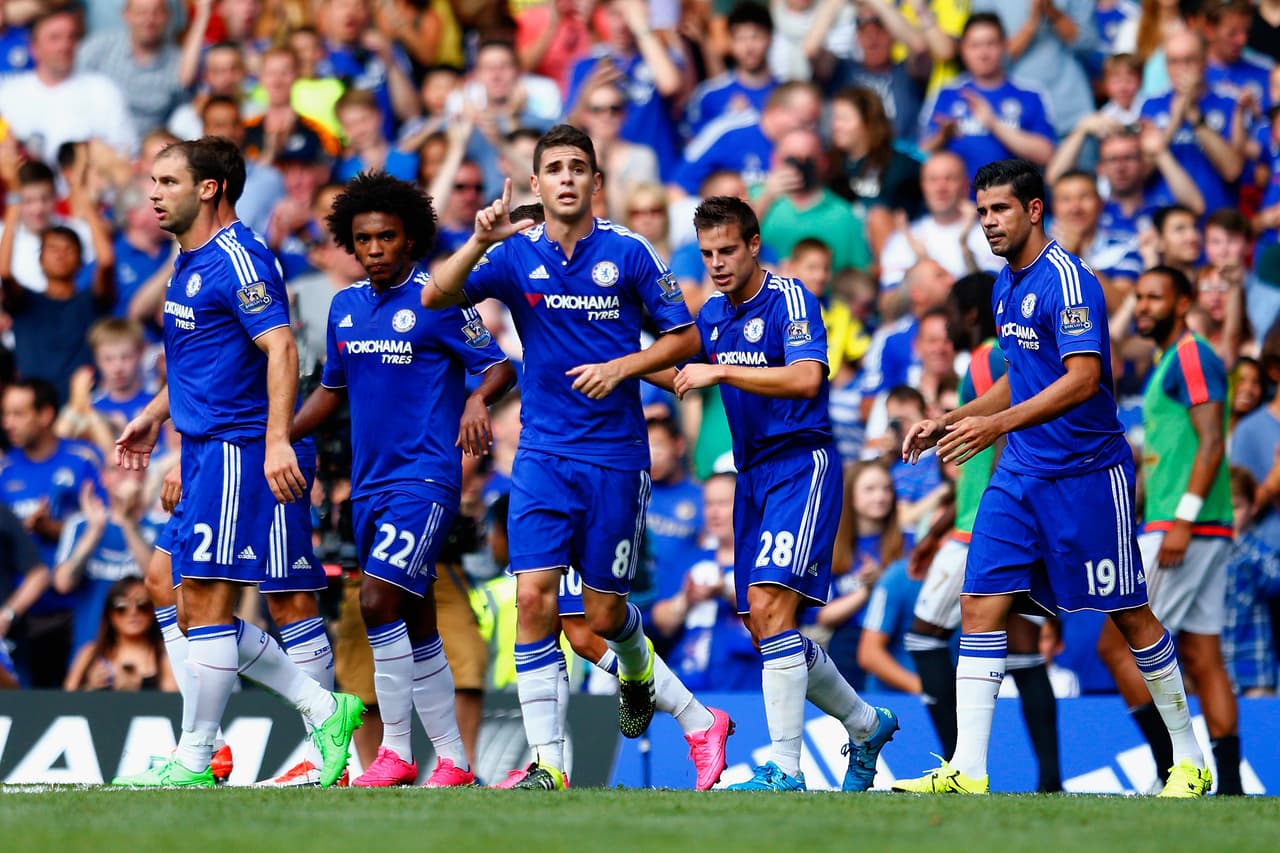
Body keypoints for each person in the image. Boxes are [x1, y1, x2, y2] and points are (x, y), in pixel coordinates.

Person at [895, 159, 1210, 797]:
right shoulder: (1003, 287)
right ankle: (969, 770)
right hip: (1021, 474)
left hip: (1088, 475)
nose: (989, 223)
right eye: (982, 212)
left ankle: (1190, 759)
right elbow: (1023, 374)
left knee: (1129, 613)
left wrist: (999, 423)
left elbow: (1083, 379)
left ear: (1034, 209)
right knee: (980, 604)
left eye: (1000, 210)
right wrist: (951, 418)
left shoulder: (1069, 281)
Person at [423, 124, 721, 791]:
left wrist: (624, 367)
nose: (565, 177)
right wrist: (478, 237)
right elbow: (434, 296)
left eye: (577, 167)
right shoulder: (514, 254)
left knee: (604, 615)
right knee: (533, 599)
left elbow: (685, 337)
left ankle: (658, 686)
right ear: (536, 183)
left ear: (594, 181)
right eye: (553, 167)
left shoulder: (630, 251)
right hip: (541, 453)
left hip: (616, 457)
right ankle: (551, 765)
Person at [111, 138, 363, 788]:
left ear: (209, 188)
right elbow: (204, 361)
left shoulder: (239, 259)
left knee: (224, 599)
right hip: (204, 446)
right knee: (173, 585)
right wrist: (156, 413)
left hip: (239, 445)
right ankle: (319, 711)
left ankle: (201, 756)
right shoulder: (189, 258)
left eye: (167, 180)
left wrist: (278, 439)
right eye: (152, 181)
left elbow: (280, 349)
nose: (152, 193)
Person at [658, 195, 898, 792]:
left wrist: (721, 371)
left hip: (802, 464)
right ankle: (866, 724)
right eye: (707, 252)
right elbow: (685, 371)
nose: (716, 263)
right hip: (752, 476)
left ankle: (785, 771)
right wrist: (620, 364)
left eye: (727, 250)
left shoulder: (791, 298)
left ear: (754, 244)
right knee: (765, 626)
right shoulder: (713, 312)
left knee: (769, 607)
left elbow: (806, 376)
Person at [292, 171, 515, 787]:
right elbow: (333, 392)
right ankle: (454, 760)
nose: (374, 250)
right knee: (416, 621)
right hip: (368, 485)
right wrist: (280, 434)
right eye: (363, 240)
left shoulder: (438, 299)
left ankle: (395, 750)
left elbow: (498, 368)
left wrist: (476, 403)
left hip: (423, 480)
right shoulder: (344, 307)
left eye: (386, 237)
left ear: (411, 239)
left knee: (374, 601)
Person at [903, 271, 1063, 793]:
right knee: (1022, 649)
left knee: (924, 634)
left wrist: (1002, 510)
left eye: (951, 310)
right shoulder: (996, 357)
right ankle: (1049, 781)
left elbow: (1005, 433)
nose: (946, 323)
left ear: (969, 315)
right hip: (982, 516)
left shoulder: (988, 358)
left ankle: (957, 760)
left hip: (987, 526)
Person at [1096, 266, 1242, 795]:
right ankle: (1228, 788)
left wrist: (1182, 517)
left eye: (1155, 297)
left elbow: (1212, 442)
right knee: (1203, 655)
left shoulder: (1191, 355)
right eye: (1139, 298)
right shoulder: (1168, 362)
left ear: (1184, 303)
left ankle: (1173, 769)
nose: (1144, 307)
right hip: (1202, 527)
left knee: (1116, 649)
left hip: (1183, 527)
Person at [63, 576, 176, 691]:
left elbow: (174, 701)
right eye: (121, 607)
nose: (133, 613)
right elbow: (67, 700)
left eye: (142, 605)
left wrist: (138, 688)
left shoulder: (167, 654)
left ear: (153, 611)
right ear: (110, 613)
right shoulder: (90, 653)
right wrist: (91, 686)